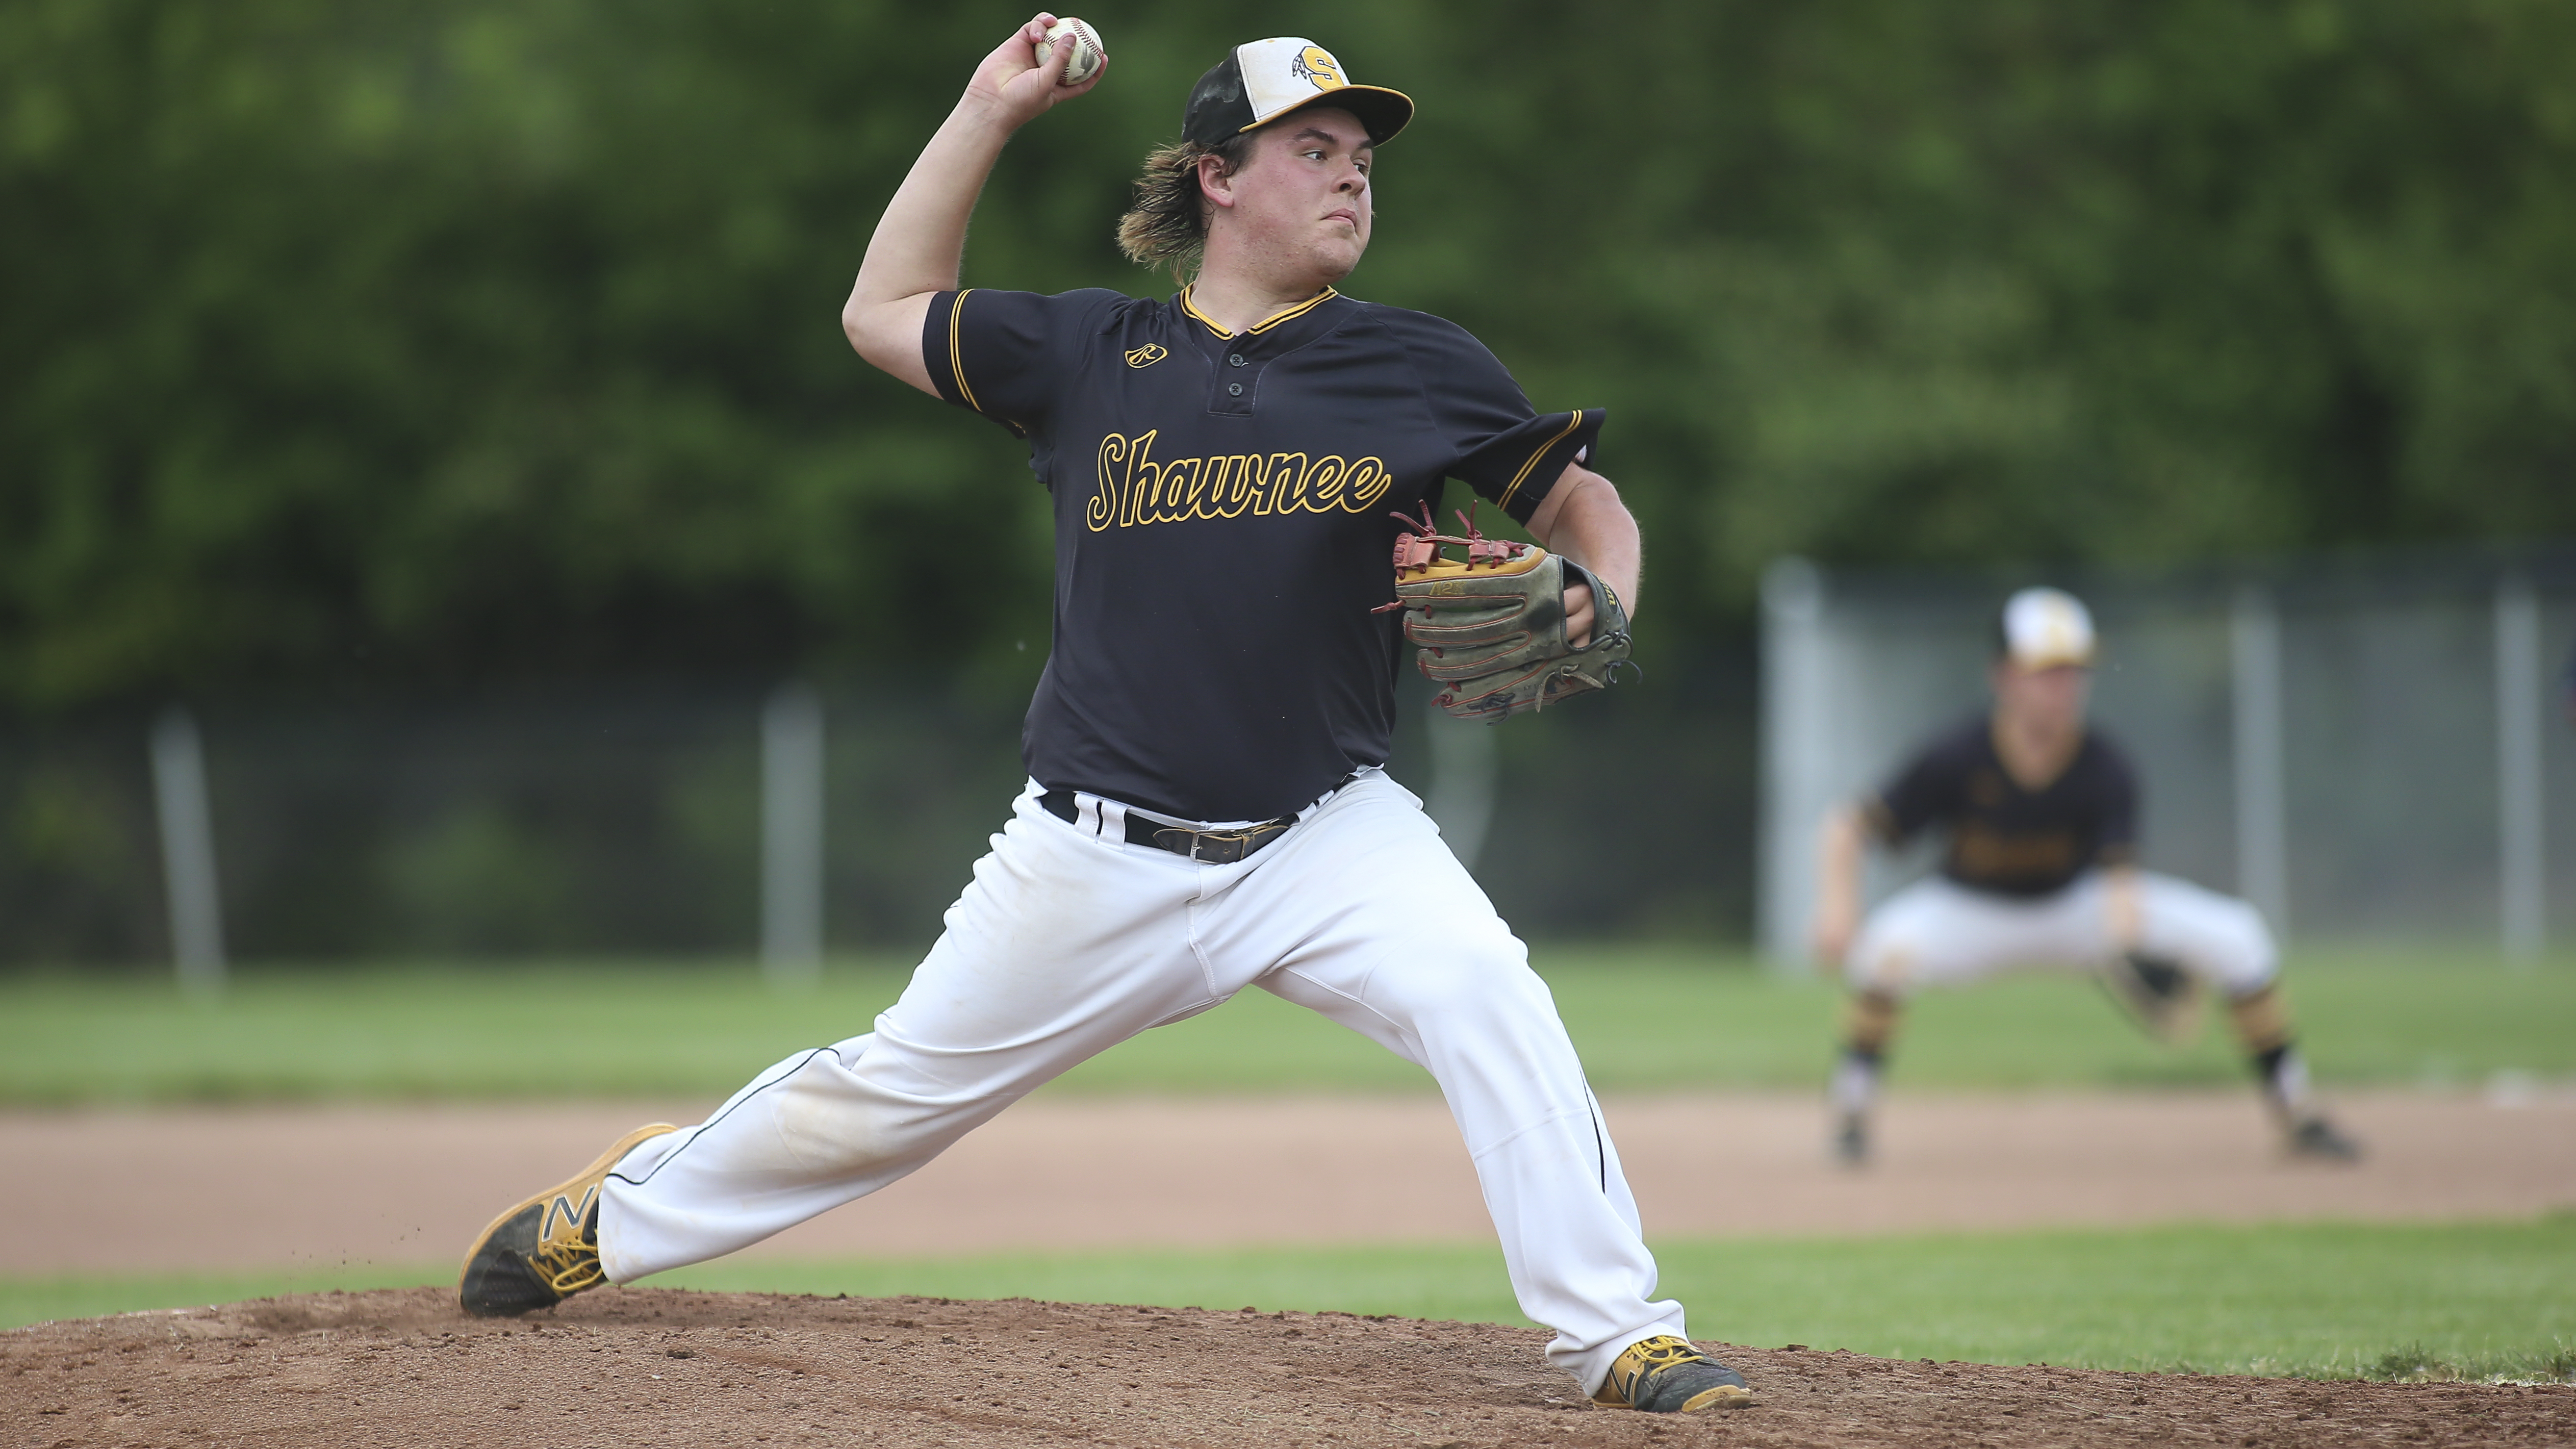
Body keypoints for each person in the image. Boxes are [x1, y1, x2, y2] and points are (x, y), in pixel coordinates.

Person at [457, 21, 1756, 1415]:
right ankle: (613, 1218)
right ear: (1215, 177)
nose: (1351, 179)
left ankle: (1622, 1334)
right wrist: (984, 110)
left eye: (1362, 158)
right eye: (1311, 151)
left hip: (1323, 833)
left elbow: (1582, 503)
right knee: (887, 1100)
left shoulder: (1416, 365)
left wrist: (1595, 593)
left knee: (1485, 995)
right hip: (1090, 849)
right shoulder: (1090, 352)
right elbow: (880, 309)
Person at [1808, 586, 2362, 1165]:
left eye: (2072, 670)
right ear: (2002, 676)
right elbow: (1844, 828)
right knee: (1880, 951)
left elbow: (2118, 879)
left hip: (2074, 908)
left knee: (2238, 935)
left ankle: (2296, 1112)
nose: (2062, 686)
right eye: (2045, 671)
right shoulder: (1957, 753)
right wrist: (1836, 910)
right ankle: (1850, 1116)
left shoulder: (2104, 764)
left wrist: (2128, 949)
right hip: (1969, 911)